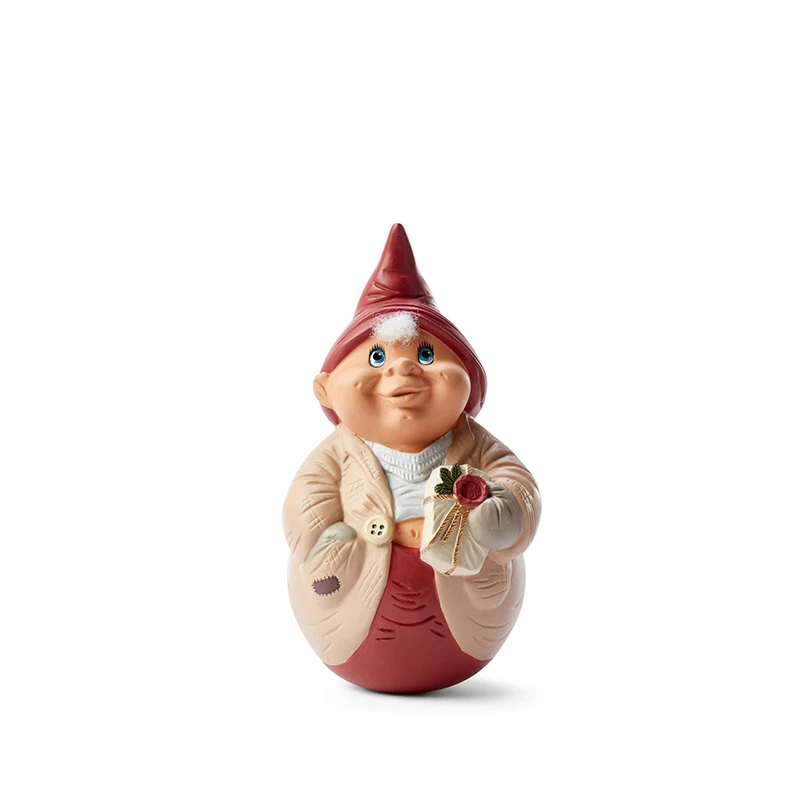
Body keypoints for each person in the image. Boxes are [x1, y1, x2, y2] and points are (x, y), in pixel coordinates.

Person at [283, 224, 541, 693]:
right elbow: (307, 496)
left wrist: (503, 513)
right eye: (376, 358)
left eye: (425, 354)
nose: (402, 368)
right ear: (326, 389)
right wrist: (321, 536)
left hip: (465, 609)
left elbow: (517, 483)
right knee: (330, 577)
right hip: (352, 597)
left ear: (466, 377)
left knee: (479, 587)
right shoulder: (338, 452)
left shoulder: (476, 444)